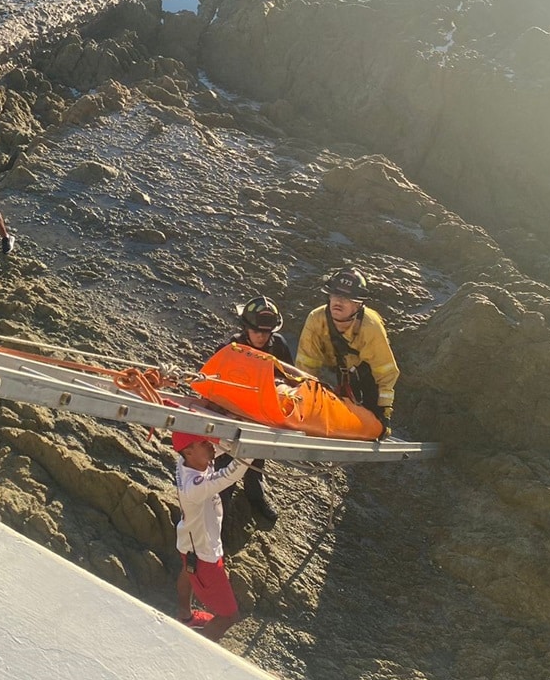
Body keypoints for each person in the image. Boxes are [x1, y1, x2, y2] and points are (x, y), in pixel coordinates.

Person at [212, 296, 307, 522]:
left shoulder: (279, 346)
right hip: (232, 417)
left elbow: (290, 379)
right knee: (225, 465)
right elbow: (213, 383)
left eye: (267, 332)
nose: (262, 336)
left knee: (257, 460)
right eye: (256, 331)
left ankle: (255, 495)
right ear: (245, 327)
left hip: (263, 416)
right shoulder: (230, 348)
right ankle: (219, 512)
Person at [294, 268, 399, 439]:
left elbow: (385, 372)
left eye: (346, 298)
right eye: (335, 296)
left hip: (367, 375)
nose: (339, 301)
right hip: (339, 370)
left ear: (358, 304)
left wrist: (384, 411)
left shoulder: (370, 326)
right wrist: (303, 401)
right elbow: (306, 364)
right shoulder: (316, 319)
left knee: (372, 420)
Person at [171, 431, 246, 642]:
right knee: (229, 616)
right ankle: (198, 645)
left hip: (188, 539)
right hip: (205, 554)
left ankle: (184, 616)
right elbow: (231, 474)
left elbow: (220, 446)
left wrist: (228, 440)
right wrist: (251, 452)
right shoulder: (194, 486)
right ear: (189, 451)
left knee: (187, 570)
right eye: (205, 441)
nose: (212, 444)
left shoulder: (189, 460)